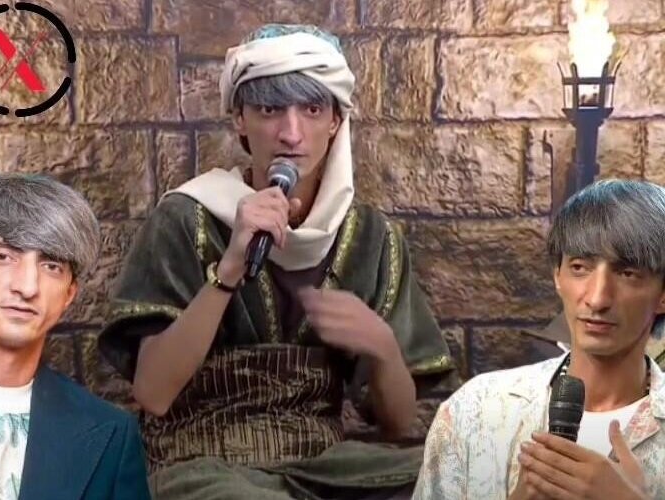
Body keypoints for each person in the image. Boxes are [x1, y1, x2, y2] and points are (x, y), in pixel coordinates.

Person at [98, 23, 454, 499]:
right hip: (202, 463)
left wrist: (383, 347)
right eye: (269, 110)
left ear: (336, 121)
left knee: (451, 480)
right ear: (239, 119)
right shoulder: (185, 217)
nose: (291, 133)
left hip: (322, 467)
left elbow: (395, 424)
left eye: (312, 109)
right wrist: (228, 271)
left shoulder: (371, 236)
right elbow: (153, 394)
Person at [413, 179, 665, 499]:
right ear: (558, 276)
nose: (597, 298)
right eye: (579, 267)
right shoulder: (475, 411)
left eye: (627, 274)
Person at [0, 174, 150, 499]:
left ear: (69, 293)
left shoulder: (112, 436)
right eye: (4, 256)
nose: (28, 286)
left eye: (51, 266)